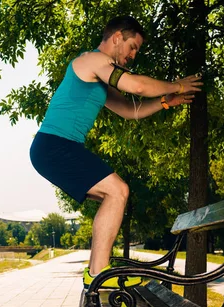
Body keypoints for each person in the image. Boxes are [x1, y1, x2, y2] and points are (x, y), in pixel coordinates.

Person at [29, 16, 202, 289]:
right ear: (118, 37)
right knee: (118, 190)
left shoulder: (101, 78)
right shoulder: (93, 61)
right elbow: (138, 87)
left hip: (56, 147)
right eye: (133, 46)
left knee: (115, 195)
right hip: (54, 145)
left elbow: (130, 110)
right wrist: (177, 85)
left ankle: (96, 273)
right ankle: (98, 273)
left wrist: (166, 102)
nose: (133, 55)